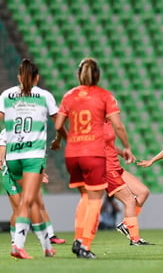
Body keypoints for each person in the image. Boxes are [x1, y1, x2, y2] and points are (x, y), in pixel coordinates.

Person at [54, 57, 134, 259]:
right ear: (97, 75)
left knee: (84, 198)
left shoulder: (69, 96)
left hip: (73, 153)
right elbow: (118, 126)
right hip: (94, 153)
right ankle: (85, 244)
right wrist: (126, 147)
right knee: (95, 200)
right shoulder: (105, 96)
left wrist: (68, 139)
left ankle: (78, 239)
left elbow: (57, 126)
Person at [0, 58, 62, 259]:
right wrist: (62, 139)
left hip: (13, 157)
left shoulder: (6, 95)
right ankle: (17, 245)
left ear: (19, 77)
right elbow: (58, 123)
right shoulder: (44, 96)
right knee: (27, 202)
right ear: (37, 77)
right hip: (32, 156)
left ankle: (47, 247)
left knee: (32, 201)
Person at [102, 120, 152, 245]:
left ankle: (126, 224)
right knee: (129, 200)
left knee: (143, 192)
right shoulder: (95, 124)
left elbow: (108, 145)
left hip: (116, 167)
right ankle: (135, 239)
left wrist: (122, 153)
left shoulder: (107, 123)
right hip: (106, 169)